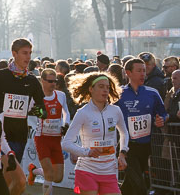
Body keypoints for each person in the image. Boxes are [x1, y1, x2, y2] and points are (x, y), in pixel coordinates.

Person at [0, 38, 47, 195]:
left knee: (12, 180)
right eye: (24, 53)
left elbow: (43, 112)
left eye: (30, 53)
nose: (28, 57)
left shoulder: (32, 81)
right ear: (14, 54)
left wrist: (29, 111)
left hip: (18, 137)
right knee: (7, 178)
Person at [61, 72, 129, 195]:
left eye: (107, 87)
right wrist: (86, 152)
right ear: (91, 89)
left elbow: (124, 133)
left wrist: (122, 153)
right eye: (101, 86)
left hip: (109, 170)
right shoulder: (83, 113)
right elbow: (66, 143)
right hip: (87, 170)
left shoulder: (115, 111)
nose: (105, 90)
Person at [116, 58, 167, 195]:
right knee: (139, 186)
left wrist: (161, 120)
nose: (143, 74)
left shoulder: (153, 93)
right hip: (127, 146)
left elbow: (163, 114)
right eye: (139, 71)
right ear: (128, 73)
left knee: (130, 184)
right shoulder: (118, 94)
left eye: (144, 70)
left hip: (146, 146)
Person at [28, 69, 70, 195]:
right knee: (49, 174)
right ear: (42, 81)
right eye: (50, 81)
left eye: (55, 81)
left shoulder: (60, 95)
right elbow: (28, 110)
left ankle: (34, 171)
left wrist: (65, 124)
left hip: (56, 139)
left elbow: (66, 112)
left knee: (58, 177)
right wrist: (38, 112)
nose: (53, 84)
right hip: (42, 138)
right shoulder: (36, 97)